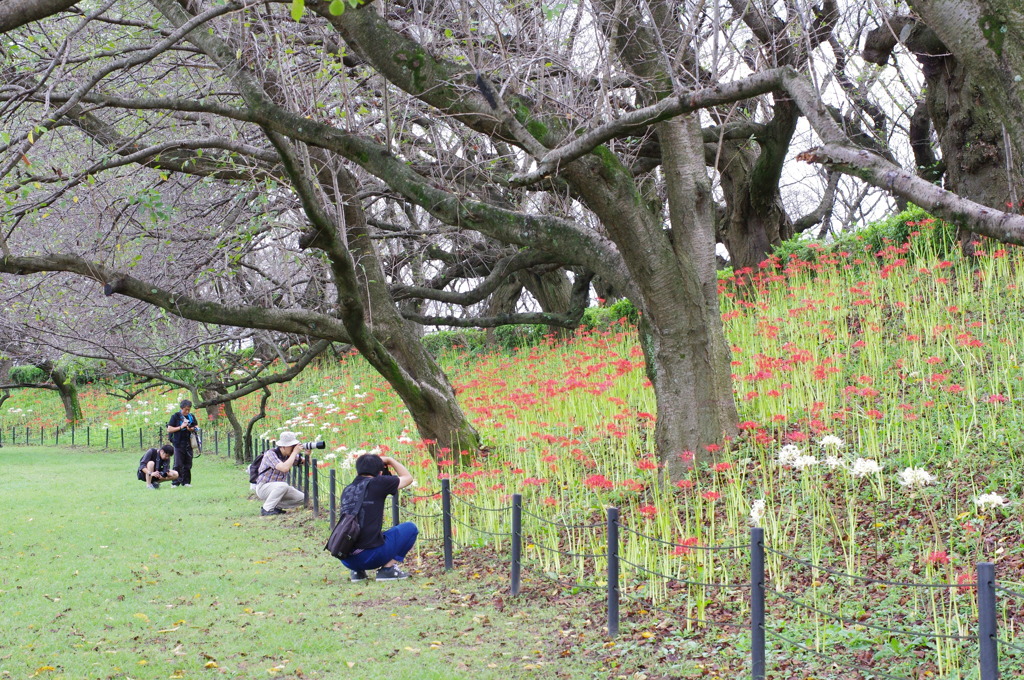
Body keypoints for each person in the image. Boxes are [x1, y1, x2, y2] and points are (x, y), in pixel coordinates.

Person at [341, 453, 418, 582]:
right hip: (370, 557)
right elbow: (408, 478)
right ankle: (388, 570)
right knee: (410, 528)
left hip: (346, 558)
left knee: (366, 530)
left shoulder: (348, 488)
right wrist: (390, 460)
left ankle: (357, 573)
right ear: (380, 472)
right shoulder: (378, 482)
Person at [254, 431, 307, 516]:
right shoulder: (270, 454)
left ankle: (275, 506)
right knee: (283, 485)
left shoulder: (288, 455)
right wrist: (294, 453)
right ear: (283, 446)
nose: (293, 448)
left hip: (279, 488)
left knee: (304, 499)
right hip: (263, 487)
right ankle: (266, 509)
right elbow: (284, 468)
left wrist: (308, 454)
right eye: (291, 446)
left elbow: (308, 462)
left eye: (294, 446)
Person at [167, 399, 198, 487]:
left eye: (189, 409)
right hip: (178, 443)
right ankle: (175, 482)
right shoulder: (175, 416)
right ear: (181, 408)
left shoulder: (191, 416)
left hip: (189, 443)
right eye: (185, 409)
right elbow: (169, 429)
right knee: (178, 464)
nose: (187, 411)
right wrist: (181, 427)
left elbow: (196, 426)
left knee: (188, 463)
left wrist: (192, 429)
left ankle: (186, 482)